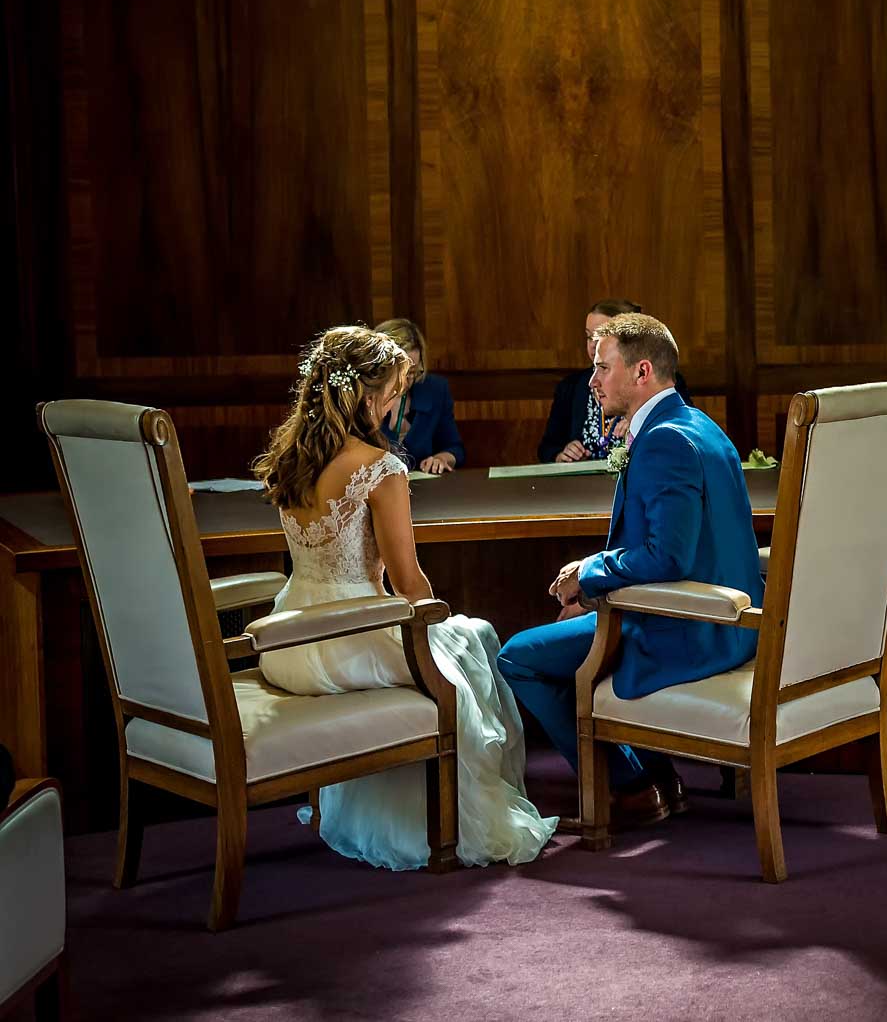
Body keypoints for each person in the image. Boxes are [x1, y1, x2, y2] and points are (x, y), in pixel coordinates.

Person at [252, 325, 555, 869]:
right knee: (472, 644)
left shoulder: (292, 458)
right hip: (346, 639)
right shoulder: (378, 468)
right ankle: (440, 823)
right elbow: (410, 584)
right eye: (394, 392)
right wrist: (437, 622)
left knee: (463, 642)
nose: (397, 405)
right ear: (368, 396)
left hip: (288, 642)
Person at [498, 313, 761, 824]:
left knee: (517, 659)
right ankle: (658, 776)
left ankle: (630, 785)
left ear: (642, 372)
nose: (592, 381)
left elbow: (667, 557)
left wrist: (591, 574)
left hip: (689, 628)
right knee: (567, 631)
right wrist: (593, 580)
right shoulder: (699, 425)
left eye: (602, 368)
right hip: (726, 621)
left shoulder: (664, 441)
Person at [539, 298, 640, 463]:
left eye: (601, 335)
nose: (593, 345)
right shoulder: (570, 387)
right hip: (582, 486)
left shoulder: (656, 380)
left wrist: (643, 423)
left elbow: (681, 436)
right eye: (588, 336)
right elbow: (547, 448)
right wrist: (561, 455)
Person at [372, 317, 464, 474]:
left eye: (413, 372)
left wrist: (441, 459)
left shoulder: (435, 389)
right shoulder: (361, 395)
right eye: (399, 372)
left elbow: (454, 448)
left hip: (426, 491)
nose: (406, 381)